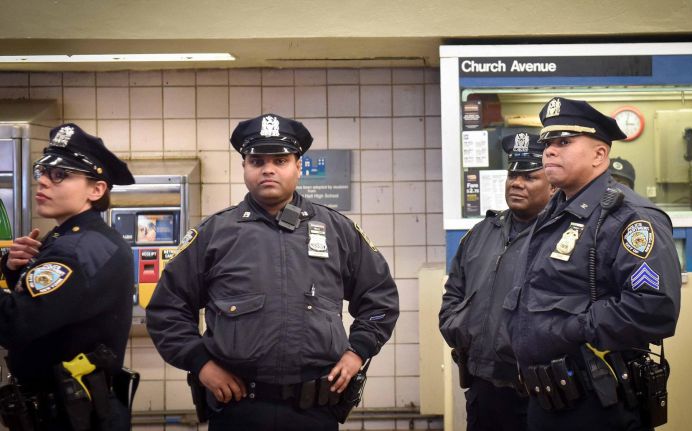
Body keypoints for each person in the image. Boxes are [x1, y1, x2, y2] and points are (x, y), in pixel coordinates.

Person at [146, 113, 399, 431]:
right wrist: (202, 364)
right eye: (257, 160)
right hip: (237, 409)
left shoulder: (337, 231)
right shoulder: (215, 234)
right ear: (244, 167)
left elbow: (380, 298)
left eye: (280, 160)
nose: (268, 169)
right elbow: (167, 309)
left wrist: (357, 352)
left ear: (298, 166)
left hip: (314, 411)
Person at [503, 98, 681, 431]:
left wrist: (567, 331)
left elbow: (654, 307)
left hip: (597, 403)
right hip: (548, 399)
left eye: (565, 142)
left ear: (599, 155)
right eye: (548, 143)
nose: (550, 151)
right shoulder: (555, 212)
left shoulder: (629, 218)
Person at [0, 123, 136, 430]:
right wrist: (13, 270)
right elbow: (53, 306)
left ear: (96, 189)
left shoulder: (75, 250)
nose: (43, 182)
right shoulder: (82, 239)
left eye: (60, 175)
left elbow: (14, 324)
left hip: (68, 415)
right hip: (74, 407)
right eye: (43, 171)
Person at [439, 130, 554, 431]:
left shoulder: (561, 235)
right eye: (512, 176)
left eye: (530, 177)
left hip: (544, 389)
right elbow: (454, 293)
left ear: (553, 186)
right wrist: (459, 328)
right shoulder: (480, 233)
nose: (517, 183)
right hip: (485, 384)